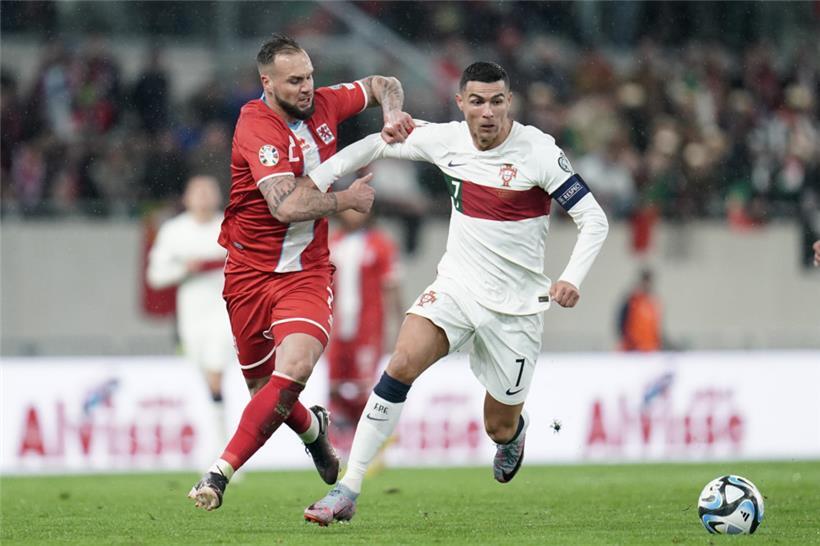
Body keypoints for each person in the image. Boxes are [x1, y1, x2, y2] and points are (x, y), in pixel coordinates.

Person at [302, 61, 609, 525]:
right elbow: (375, 145)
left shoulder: (538, 152)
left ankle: (513, 436)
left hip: (516, 311)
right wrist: (320, 180)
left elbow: (594, 220)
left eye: (498, 101)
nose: (488, 112)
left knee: (497, 425)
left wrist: (571, 278)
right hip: (457, 289)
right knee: (401, 363)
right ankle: (348, 488)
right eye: (478, 101)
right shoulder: (445, 139)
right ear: (461, 103)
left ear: (510, 102)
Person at [187, 33, 414, 511]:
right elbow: (285, 205)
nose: (307, 88)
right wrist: (346, 200)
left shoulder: (327, 103)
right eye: (294, 81)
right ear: (266, 83)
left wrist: (391, 114)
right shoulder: (256, 124)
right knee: (262, 390)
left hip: (305, 274)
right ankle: (315, 434)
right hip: (248, 274)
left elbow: (383, 82)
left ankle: (218, 474)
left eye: (309, 76)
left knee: (294, 369)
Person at [147, 175, 233, 448]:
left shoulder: (229, 226)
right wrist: (186, 268)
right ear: (186, 198)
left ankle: (225, 452)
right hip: (191, 316)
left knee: (216, 371)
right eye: (198, 191)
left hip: (226, 312)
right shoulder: (174, 231)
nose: (204, 196)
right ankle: (214, 444)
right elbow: (156, 276)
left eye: (209, 191)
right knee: (205, 378)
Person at [327, 207, 403, 457]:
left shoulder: (380, 244)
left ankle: (373, 443)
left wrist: (399, 324)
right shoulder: (332, 242)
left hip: (368, 327)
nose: (353, 213)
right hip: (338, 327)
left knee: (364, 387)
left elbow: (391, 287)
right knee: (335, 386)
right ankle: (343, 442)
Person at [617, 268, 662, 352]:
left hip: (650, 349)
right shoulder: (632, 300)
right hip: (634, 349)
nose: (647, 284)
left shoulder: (653, 303)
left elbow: (656, 328)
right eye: (645, 281)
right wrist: (629, 343)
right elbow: (621, 323)